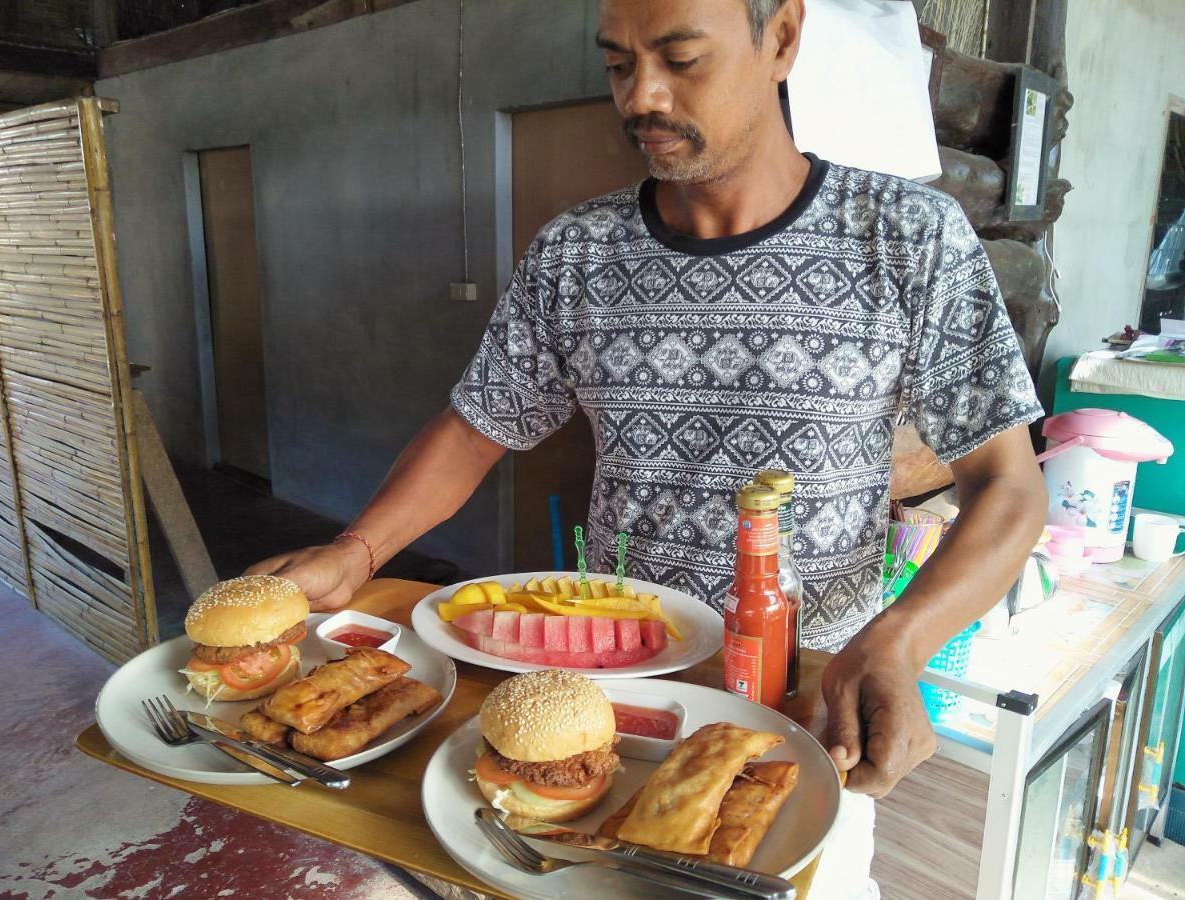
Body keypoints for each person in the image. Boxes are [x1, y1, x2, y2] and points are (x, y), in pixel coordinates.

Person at [250, 0, 1045, 819]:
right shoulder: (576, 252)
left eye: (681, 59)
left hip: (807, 700)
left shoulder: (909, 237)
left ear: (780, 39)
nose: (642, 98)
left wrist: (901, 640)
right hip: (613, 701)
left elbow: (1008, 485)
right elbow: (475, 425)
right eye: (620, 65)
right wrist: (358, 551)